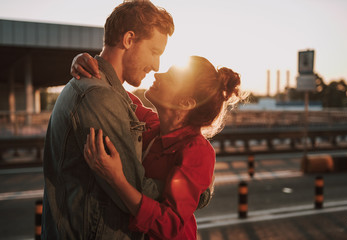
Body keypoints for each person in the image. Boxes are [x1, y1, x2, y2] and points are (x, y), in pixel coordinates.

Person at [41, 1, 174, 239]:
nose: (156, 66)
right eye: (154, 52)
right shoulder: (99, 97)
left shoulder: (108, 93)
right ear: (129, 39)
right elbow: (136, 190)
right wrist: (194, 187)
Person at [76, 55, 243, 239]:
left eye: (169, 78)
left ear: (186, 103)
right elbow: (113, 94)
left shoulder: (197, 151)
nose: (157, 75)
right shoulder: (151, 124)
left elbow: (171, 224)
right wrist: (83, 62)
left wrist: (116, 179)